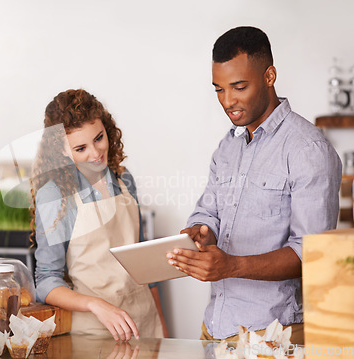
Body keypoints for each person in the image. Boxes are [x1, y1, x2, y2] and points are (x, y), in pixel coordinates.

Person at [166, 26, 342, 344]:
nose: (227, 101)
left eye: (238, 86)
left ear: (269, 76)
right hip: (215, 327)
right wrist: (203, 231)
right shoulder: (228, 146)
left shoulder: (308, 149)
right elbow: (208, 212)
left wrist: (231, 265)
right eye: (219, 89)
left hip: (272, 333)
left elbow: (312, 254)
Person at [31, 89, 166, 341]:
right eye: (80, 148)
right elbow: (46, 282)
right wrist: (96, 305)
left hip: (145, 323)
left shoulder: (124, 180)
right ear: (62, 152)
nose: (95, 153)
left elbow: (145, 265)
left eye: (99, 138)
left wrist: (164, 330)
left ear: (107, 128)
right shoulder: (55, 196)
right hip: (95, 333)